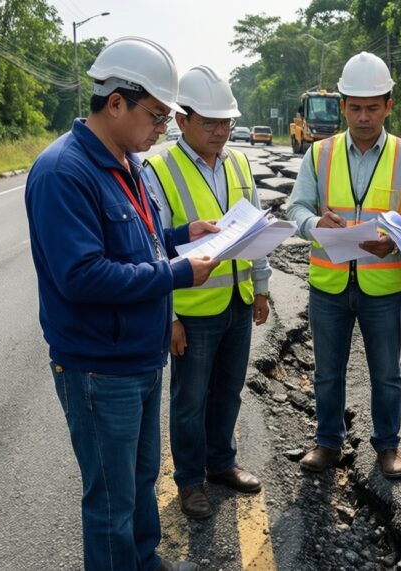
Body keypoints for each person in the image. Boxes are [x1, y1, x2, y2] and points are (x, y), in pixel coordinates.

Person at [24, 37, 217, 571]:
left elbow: (139, 243)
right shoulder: (64, 172)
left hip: (141, 358)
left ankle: (144, 559)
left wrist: (180, 237)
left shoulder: (128, 163)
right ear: (115, 103)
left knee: (140, 480)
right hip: (99, 369)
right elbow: (83, 276)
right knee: (111, 500)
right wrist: (178, 272)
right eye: (156, 116)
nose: (162, 129)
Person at [285, 52, 401, 479]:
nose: (363, 117)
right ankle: (328, 442)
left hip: (382, 289)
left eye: (372, 107)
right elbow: (296, 208)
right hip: (329, 285)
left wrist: (396, 241)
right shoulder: (319, 154)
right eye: (355, 108)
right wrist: (315, 224)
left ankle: (388, 446)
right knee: (327, 373)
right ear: (343, 106)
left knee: (386, 374)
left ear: (388, 105)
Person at [141, 66, 271, 519]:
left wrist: (261, 287)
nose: (220, 131)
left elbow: (255, 229)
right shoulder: (158, 169)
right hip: (192, 310)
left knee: (228, 391)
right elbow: (153, 247)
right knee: (190, 401)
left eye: (226, 122)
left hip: (236, 299)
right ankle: (190, 480)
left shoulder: (238, 162)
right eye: (210, 122)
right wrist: (170, 316)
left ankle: (222, 462)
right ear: (182, 120)